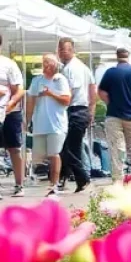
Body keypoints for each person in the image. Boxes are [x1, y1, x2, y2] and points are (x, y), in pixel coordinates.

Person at [98, 48, 131, 183]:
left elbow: (101, 91)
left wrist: (109, 103)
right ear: (128, 56)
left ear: (117, 57)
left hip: (114, 115)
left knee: (117, 148)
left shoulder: (110, 73)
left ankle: (118, 179)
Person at [26, 54, 72, 197]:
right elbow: (31, 101)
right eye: (44, 62)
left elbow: (66, 100)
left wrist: (51, 94)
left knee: (54, 154)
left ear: (54, 65)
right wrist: (27, 120)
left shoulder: (60, 80)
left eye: (48, 63)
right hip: (40, 123)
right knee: (38, 156)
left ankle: (54, 184)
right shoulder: (36, 80)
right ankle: (45, 180)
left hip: (57, 124)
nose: (45, 65)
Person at [56, 38, 96, 193]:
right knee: (67, 147)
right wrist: (91, 109)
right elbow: (92, 88)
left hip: (75, 110)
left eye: (64, 49)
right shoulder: (83, 67)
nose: (61, 52)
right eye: (60, 49)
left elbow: (69, 93)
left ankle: (82, 178)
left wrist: (59, 105)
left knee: (69, 149)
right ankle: (62, 177)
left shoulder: (71, 69)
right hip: (80, 110)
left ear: (72, 50)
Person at [0, 36, 26, 196]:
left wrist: (10, 105)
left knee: (14, 148)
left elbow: (19, 90)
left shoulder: (9, 64)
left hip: (10, 112)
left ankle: (19, 185)